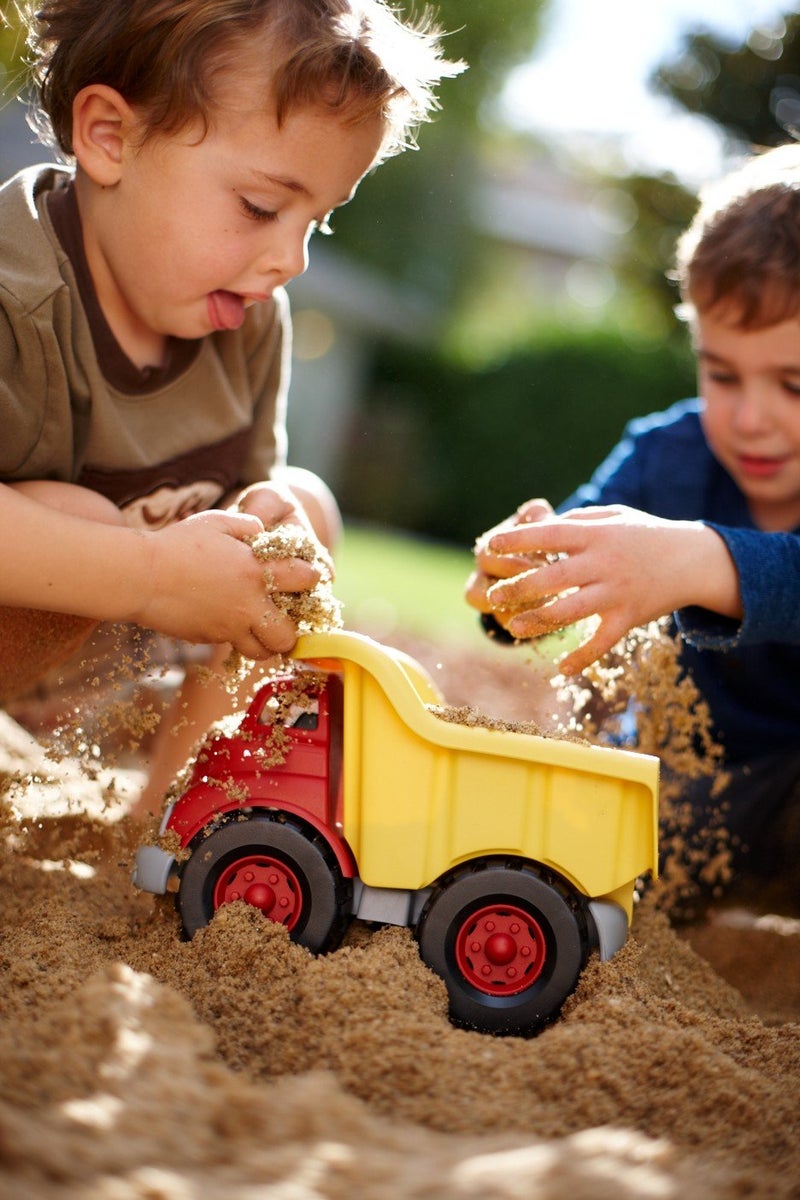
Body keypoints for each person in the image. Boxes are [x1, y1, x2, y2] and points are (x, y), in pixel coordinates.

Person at [0, 0, 461, 816]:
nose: (289, 259)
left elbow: (252, 505)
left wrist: (269, 511)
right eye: (259, 207)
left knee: (303, 514)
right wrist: (147, 573)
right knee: (72, 513)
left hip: (88, 680)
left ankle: (167, 820)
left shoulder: (246, 322)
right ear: (109, 137)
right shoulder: (15, 299)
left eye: (316, 221)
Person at [467, 143, 800, 895]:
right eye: (722, 373)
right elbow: (559, 569)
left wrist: (697, 559)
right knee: (573, 855)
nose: (752, 418)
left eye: (794, 384)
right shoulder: (665, 458)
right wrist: (515, 584)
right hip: (696, 802)